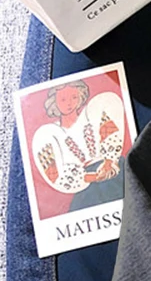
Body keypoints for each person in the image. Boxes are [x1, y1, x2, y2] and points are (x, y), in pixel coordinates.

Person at [31, 79, 125, 211]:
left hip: (114, 172)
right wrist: (93, 177)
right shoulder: (48, 134)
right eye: (63, 99)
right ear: (54, 102)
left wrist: (109, 163)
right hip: (86, 186)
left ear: (80, 97)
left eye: (74, 97)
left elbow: (111, 133)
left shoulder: (94, 111)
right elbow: (55, 175)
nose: (69, 103)